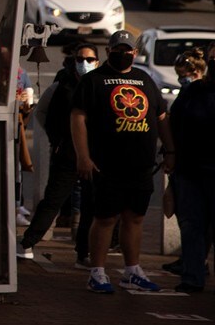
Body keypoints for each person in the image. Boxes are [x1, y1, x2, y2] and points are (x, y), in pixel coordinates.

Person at [71, 29, 174, 294]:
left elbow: (161, 117)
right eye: (117, 51)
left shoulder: (145, 80)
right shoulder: (93, 81)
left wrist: (171, 150)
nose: (122, 55)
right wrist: (83, 155)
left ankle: (132, 271)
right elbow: (78, 118)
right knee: (105, 218)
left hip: (140, 165)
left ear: (135, 53)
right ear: (108, 52)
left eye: (127, 51)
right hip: (106, 164)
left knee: (135, 217)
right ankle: (97, 272)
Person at [18, 43, 99, 259]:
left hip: (95, 156)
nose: (84, 64)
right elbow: (42, 112)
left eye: (89, 60)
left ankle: (84, 251)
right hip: (67, 155)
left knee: (91, 205)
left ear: (98, 62)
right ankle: (27, 243)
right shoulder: (62, 84)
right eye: (80, 59)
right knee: (53, 201)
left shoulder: (100, 84)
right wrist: (58, 140)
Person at [169, 48, 213, 293]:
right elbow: (175, 123)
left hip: (207, 170)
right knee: (192, 224)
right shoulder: (193, 92)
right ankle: (192, 275)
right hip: (190, 170)